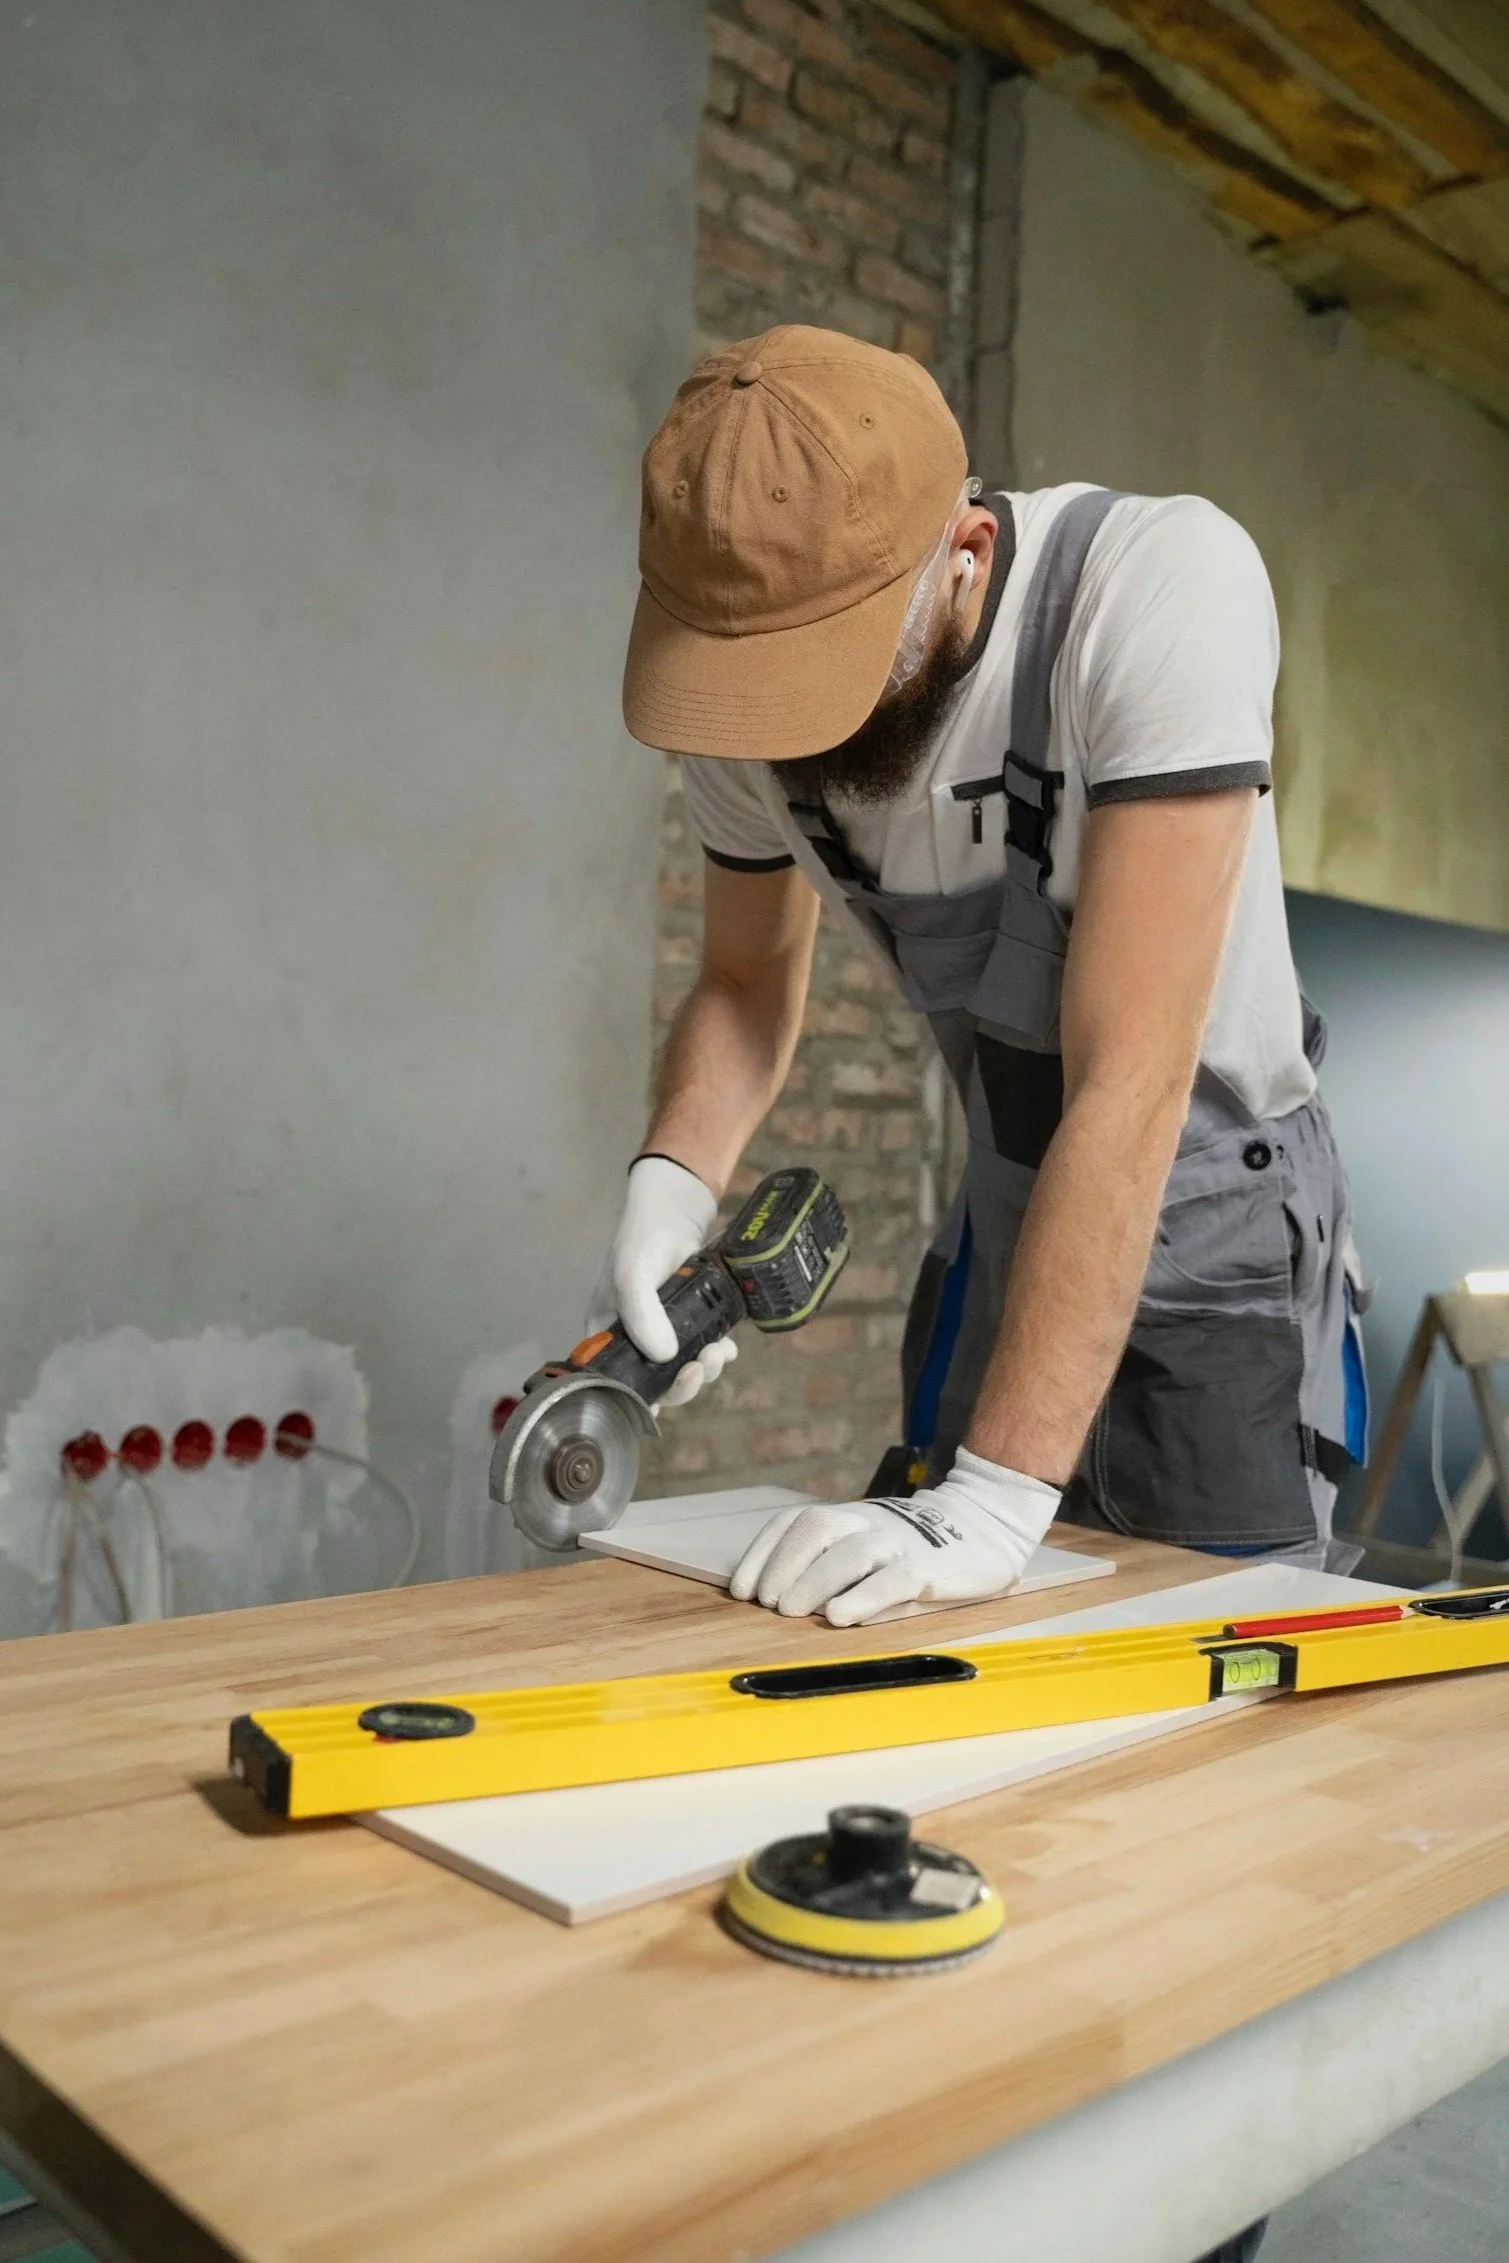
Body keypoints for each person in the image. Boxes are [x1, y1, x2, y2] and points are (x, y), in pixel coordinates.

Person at [599, 323, 1363, 2263]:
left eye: (817, 675)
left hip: (1205, 1217)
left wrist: (1002, 1497)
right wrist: (665, 1190)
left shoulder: (1157, 588)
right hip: (1005, 1204)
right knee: (950, 1717)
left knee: (1203, 1760)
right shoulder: (746, 688)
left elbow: (1130, 1073)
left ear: (952, 552)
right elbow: (750, 990)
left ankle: (1200, 2216)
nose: (779, 729)